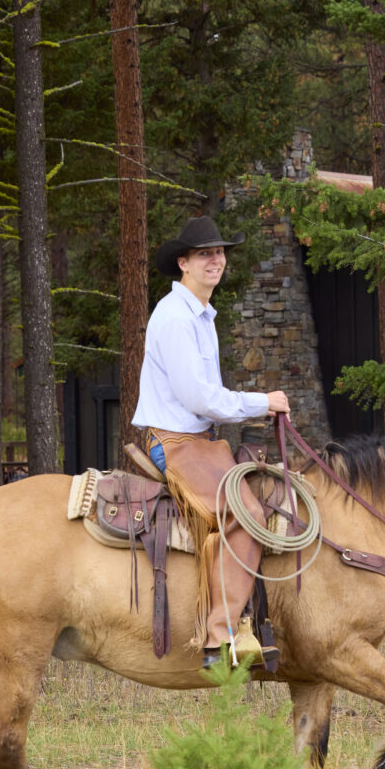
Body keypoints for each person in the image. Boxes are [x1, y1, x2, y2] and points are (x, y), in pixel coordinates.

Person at [133, 215, 288, 669]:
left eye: (219, 253)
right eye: (205, 254)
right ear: (183, 263)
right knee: (246, 513)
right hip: (177, 443)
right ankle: (220, 637)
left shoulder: (201, 315)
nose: (215, 260)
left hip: (200, 442)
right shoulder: (175, 318)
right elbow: (198, 397)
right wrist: (264, 402)